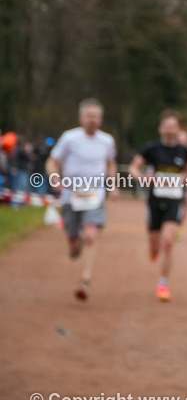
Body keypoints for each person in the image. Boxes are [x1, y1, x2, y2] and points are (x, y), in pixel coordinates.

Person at [45, 99, 119, 301]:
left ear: (101, 120)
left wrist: (113, 185)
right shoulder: (69, 138)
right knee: (74, 239)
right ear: (81, 118)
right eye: (89, 116)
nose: (92, 120)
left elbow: (110, 163)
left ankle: (85, 280)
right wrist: (55, 178)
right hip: (71, 196)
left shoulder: (107, 141)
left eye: (96, 116)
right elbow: (52, 161)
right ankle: (73, 242)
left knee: (91, 235)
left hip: (95, 195)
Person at [129, 110, 187, 301]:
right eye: (166, 126)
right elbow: (134, 167)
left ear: (177, 129)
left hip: (174, 201)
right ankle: (153, 250)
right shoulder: (152, 149)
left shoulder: (184, 152)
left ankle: (163, 284)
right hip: (155, 201)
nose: (169, 130)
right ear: (161, 128)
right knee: (155, 246)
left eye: (173, 126)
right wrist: (142, 178)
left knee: (168, 241)